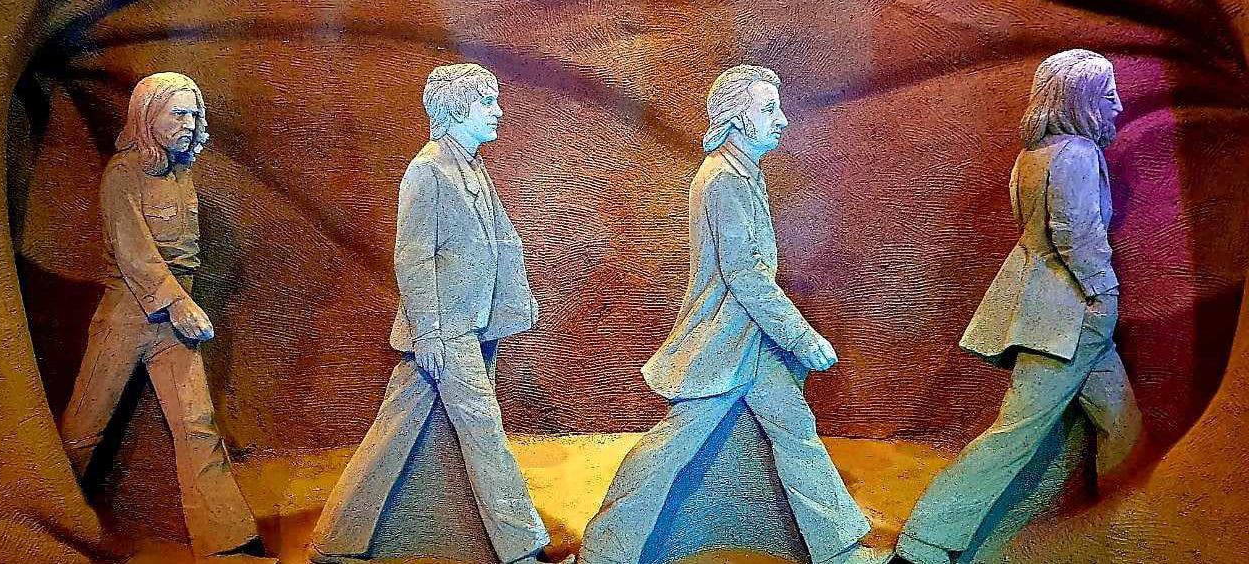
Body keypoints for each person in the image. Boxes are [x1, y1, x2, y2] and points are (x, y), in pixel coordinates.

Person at [578, 65, 886, 564]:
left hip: (751, 342)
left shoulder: (744, 173)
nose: (782, 120)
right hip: (722, 341)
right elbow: (745, 277)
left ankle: (839, 549)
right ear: (739, 117)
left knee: (796, 431)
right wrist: (802, 337)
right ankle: (604, 551)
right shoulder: (722, 178)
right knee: (668, 449)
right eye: (769, 109)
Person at [309, 63, 567, 564]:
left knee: (397, 427)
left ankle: (336, 539)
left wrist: (508, 306)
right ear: (457, 109)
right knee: (483, 428)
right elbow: (412, 257)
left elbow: (497, 241)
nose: (498, 112)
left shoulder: (471, 167)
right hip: (446, 328)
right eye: (487, 103)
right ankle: (522, 548)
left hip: (471, 322)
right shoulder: (426, 170)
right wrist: (428, 333)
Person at [895, 49, 1142, 564]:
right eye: (1107, 93)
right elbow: (1077, 236)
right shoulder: (1077, 153)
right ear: (1079, 100)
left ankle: (1131, 527)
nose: (1118, 104)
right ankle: (923, 544)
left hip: (1053, 314)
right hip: (1071, 316)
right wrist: (1104, 296)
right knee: (1014, 435)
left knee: (1121, 422)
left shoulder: (1032, 156)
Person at [59, 72, 270, 562]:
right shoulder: (123, 174)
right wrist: (179, 304)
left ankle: (227, 543)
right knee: (85, 428)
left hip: (176, 320)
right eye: (179, 112)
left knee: (196, 423)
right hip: (128, 318)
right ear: (148, 115)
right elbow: (134, 253)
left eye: (194, 113)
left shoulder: (181, 174)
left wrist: (182, 305)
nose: (189, 123)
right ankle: (43, 514)